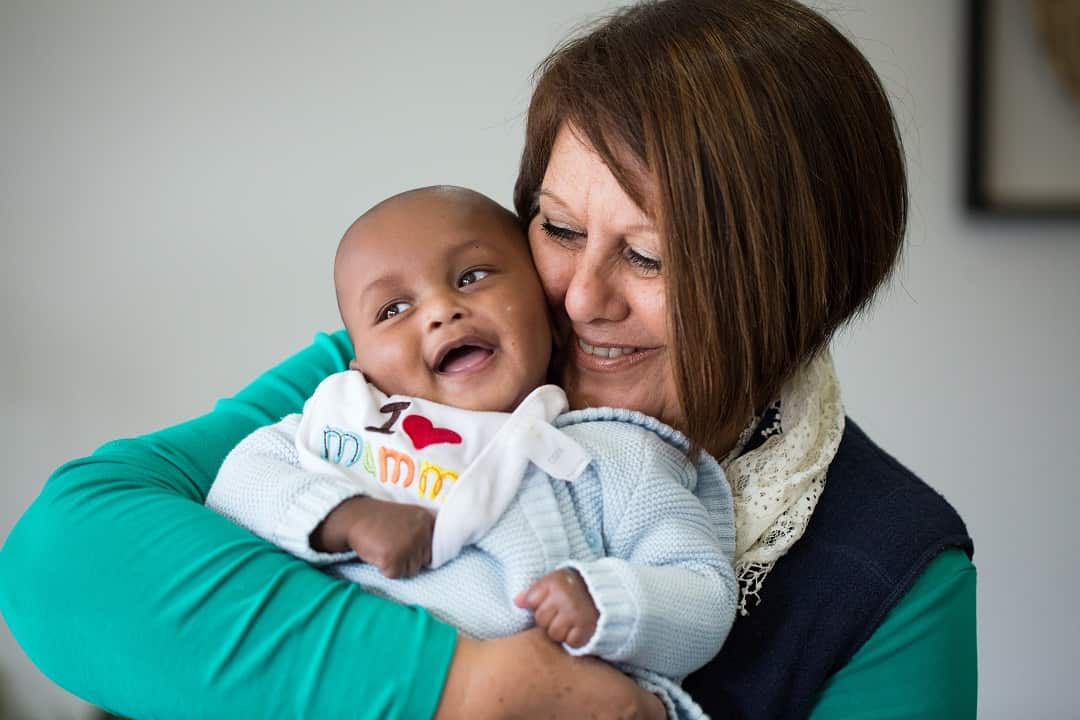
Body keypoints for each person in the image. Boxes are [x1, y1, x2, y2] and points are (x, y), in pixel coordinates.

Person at [0, 1, 976, 719]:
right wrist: (470, 690)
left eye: (649, 256)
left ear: (800, 284)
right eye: (556, 227)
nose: (582, 299)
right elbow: (61, 559)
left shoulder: (892, 570)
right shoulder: (407, 378)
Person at [204, 186, 737, 718]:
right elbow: (238, 483)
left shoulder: (612, 456)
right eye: (393, 308)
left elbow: (703, 595)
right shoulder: (352, 427)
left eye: (472, 277)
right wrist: (344, 517)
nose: (441, 310)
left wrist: (606, 601)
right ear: (359, 364)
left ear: (552, 317)